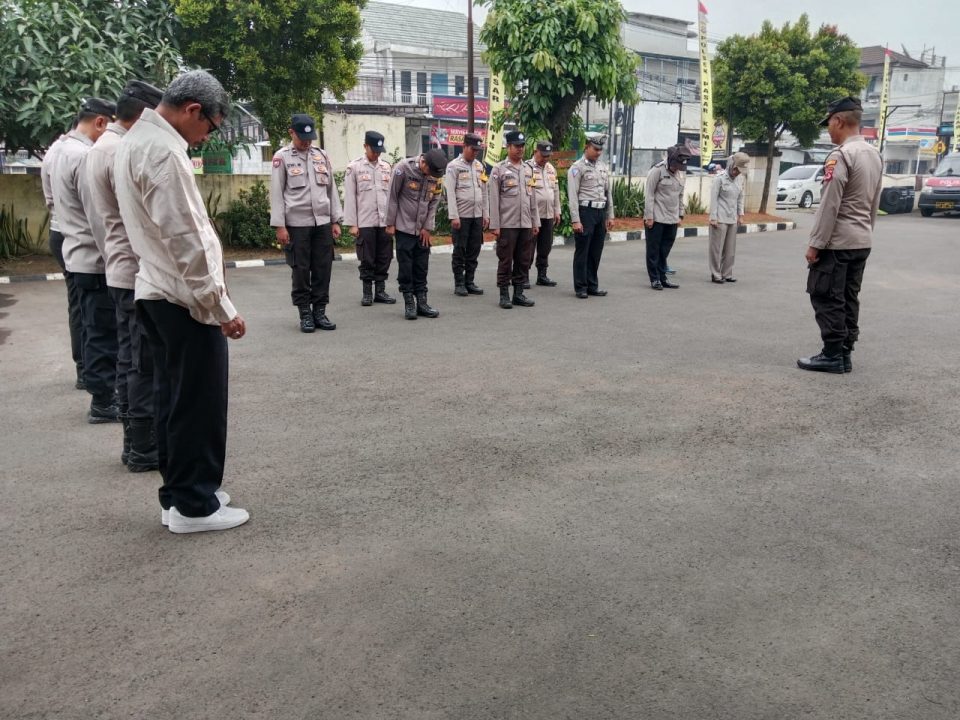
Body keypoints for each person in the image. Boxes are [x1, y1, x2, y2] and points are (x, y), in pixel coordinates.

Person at [115, 69, 248, 533]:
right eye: (209, 127)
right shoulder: (164, 153)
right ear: (194, 110)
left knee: (173, 398)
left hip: (156, 290)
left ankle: (180, 493)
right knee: (198, 402)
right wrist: (221, 308)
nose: (205, 137)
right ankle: (195, 504)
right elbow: (187, 240)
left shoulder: (134, 141)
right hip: (183, 299)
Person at [84, 80, 164, 471]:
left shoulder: (99, 148)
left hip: (116, 265)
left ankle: (134, 443)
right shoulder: (120, 150)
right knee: (142, 361)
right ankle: (143, 448)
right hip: (133, 269)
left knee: (128, 358)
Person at [798, 96, 882, 374]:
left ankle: (832, 354)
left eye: (829, 124)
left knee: (825, 296)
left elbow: (829, 204)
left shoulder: (841, 155)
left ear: (839, 121)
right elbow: (874, 203)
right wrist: (865, 233)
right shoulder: (874, 154)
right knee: (848, 297)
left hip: (838, 242)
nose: (828, 130)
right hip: (861, 240)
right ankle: (845, 353)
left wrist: (815, 244)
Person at [51, 97, 119, 422]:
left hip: (75, 251)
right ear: (101, 122)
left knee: (90, 325)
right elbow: (99, 218)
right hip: (95, 258)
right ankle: (104, 401)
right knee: (103, 331)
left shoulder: (59, 151)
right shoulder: (83, 157)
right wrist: (116, 259)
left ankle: (98, 389)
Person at [269, 114, 342, 333]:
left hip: (322, 223)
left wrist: (335, 220)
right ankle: (305, 314)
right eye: (302, 137)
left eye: (310, 137)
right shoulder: (282, 157)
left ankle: (319, 311)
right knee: (301, 270)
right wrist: (280, 226)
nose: (307, 142)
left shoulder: (321, 155)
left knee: (323, 268)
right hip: (297, 224)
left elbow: (331, 190)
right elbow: (276, 193)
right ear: (292, 133)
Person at [42, 127, 85, 389]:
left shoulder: (54, 152)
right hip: (74, 235)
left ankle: (85, 368)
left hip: (59, 231)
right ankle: (89, 371)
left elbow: (49, 199)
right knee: (88, 306)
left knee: (79, 304)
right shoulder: (78, 154)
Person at [385, 149, 447, 320]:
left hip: (422, 229)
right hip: (404, 226)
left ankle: (422, 302)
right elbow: (392, 197)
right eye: (430, 172)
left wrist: (427, 227)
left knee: (421, 265)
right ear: (423, 162)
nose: (432, 176)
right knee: (406, 266)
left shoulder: (436, 175)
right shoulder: (403, 168)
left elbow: (434, 202)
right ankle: (409, 302)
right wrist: (390, 223)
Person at [343, 130, 396, 307]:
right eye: (373, 150)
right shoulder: (355, 168)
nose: (376, 154)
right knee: (367, 258)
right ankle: (367, 292)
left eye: (379, 151)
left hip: (384, 221)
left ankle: (380, 291)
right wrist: (352, 224)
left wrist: (392, 221)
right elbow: (350, 197)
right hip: (365, 221)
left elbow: (391, 197)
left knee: (385, 256)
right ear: (365, 146)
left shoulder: (386, 167)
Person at [489, 130, 540, 309]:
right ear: (508, 147)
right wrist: (495, 225)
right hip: (507, 224)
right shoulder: (499, 169)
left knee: (523, 259)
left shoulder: (528, 169)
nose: (520, 149)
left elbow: (532, 197)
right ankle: (504, 294)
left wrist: (535, 222)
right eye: (516, 146)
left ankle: (519, 293)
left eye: (522, 146)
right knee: (505, 260)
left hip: (525, 223)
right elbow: (494, 199)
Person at [567, 136, 613, 299]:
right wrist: (576, 220)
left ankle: (592, 285)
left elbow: (609, 193)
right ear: (586, 147)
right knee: (583, 251)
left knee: (595, 251)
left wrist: (610, 215)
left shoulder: (602, 167)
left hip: (600, 212)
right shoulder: (576, 168)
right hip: (585, 211)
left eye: (601, 149)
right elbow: (573, 196)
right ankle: (581, 286)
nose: (598, 152)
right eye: (596, 149)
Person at [445, 132, 488, 297]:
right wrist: (453, 216)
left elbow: (484, 191)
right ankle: (459, 283)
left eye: (478, 149)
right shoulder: (453, 166)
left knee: (474, 249)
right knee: (460, 249)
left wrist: (486, 213)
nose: (475, 152)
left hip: (477, 215)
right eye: (472, 149)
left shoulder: (479, 166)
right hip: (461, 216)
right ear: (464, 147)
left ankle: (470, 281)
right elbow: (450, 192)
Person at [644, 144, 691, 290]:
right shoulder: (657, 171)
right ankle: (655, 279)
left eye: (680, 166)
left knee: (664, 250)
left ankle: (662, 277)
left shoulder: (681, 173)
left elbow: (680, 195)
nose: (677, 168)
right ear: (670, 160)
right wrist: (649, 216)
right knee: (654, 250)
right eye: (676, 164)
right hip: (657, 218)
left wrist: (680, 214)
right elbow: (649, 194)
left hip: (672, 218)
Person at [524, 140, 561, 288]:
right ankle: (524, 275)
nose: (545, 158)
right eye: (543, 155)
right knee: (528, 246)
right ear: (535, 152)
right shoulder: (527, 167)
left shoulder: (551, 169)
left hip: (548, 214)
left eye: (548, 156)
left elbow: (556, 191)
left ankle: (542, 275)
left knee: (546, 245)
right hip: (533, 215)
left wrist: (557, 210)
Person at [708, 152, 749, 284]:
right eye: (736, 169)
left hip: (732, 218)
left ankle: (727, 273)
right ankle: (716, 274)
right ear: (731, 165)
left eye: (740, 171)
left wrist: (740, 214)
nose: (737, 173)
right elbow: (713, 199)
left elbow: (740, 198)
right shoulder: (719, 178)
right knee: (717, 248)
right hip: (719, 217)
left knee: (730, 249)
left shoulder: (739, 180)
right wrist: (713, 217)